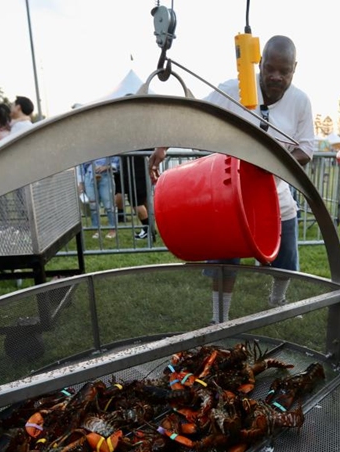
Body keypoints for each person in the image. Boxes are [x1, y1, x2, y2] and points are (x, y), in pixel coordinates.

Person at [149, 35, 315, 323]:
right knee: (225, 261)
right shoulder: (232, 90)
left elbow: (307, 149)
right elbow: (194, 117)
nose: (275, 77)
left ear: (294, 69)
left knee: (286, 257)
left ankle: (277, 300)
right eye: (270, 68)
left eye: (284, 71)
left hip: (276, 195)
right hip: (229, 194)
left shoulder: (300, 102)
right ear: (259, 63)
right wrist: (162, 145)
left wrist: (272, 164)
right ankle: (219, 318)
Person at [116, 151, 155, 242]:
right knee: (143, 201)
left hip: (135, 172)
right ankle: (150, 229)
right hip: (138, 171)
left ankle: (147, 229)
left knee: (136, 202)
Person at [80, 156, 119, 239]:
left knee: (109, 205)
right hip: (89, 176)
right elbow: (81, 165)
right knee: (92, 205)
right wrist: (81, 182)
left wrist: (106, 167)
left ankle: (112, 229)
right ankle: (96, 229)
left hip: (106, 175)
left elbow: (117, 161)